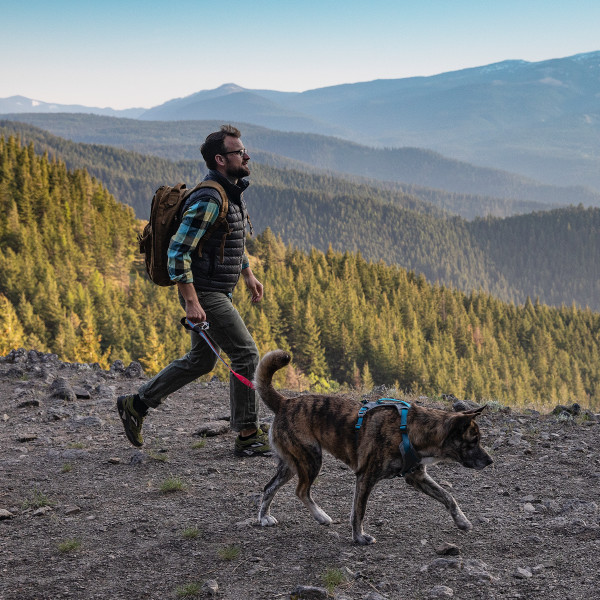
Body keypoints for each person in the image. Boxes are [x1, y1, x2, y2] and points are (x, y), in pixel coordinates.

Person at [117, 125, 270, 457]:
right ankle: (247, 434)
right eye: (238, 152)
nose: (246, 156)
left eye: (244, 151)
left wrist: (247, 273)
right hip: (205, 293)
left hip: (215, 290)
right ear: (220, 159)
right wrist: (191, 301)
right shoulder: (210, 198)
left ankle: (136, 404)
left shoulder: (228, 192)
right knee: (245, 354)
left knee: (200, 361)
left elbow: (225, 240)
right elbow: (177, 251)